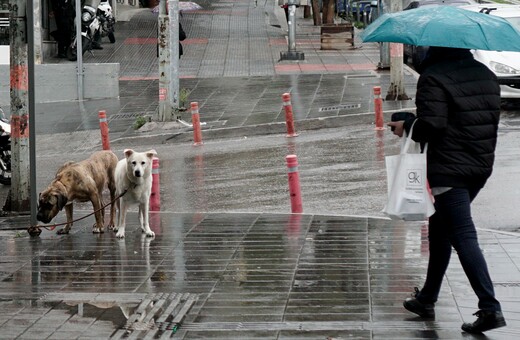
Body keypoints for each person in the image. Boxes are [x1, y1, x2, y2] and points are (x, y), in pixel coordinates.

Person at [387, 46, 506, 334]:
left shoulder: (433, 77)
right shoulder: (486, 75)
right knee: (440, 228)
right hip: (479, 166)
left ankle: (490, 308)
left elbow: (434, 125)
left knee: (462, 234)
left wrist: (408, 125)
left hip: (448, 168)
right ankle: (427, 298)